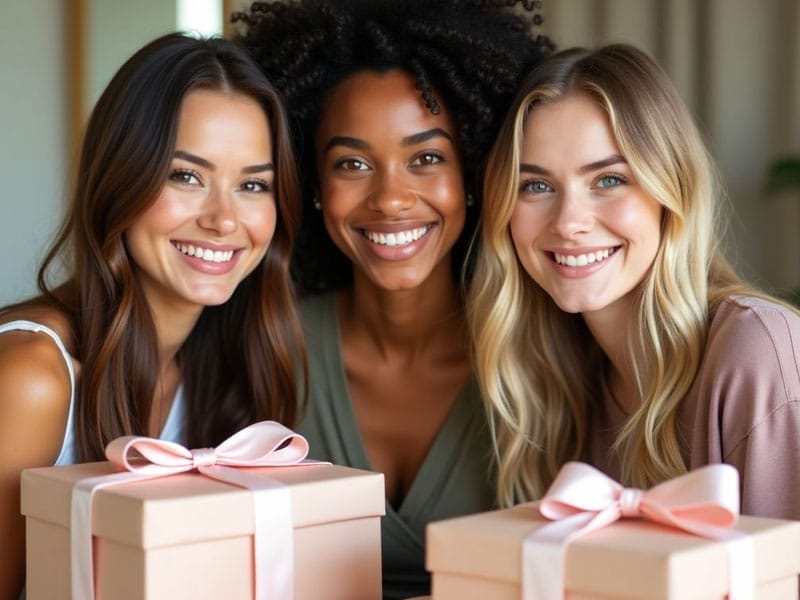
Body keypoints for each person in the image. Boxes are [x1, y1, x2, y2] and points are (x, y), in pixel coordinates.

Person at [233, 1, 553, 597]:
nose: (390, 199)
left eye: (426, 158)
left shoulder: (545, 355)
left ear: (477, 174)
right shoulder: (267, 345)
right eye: (352, 163)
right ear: (314, 183)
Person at [0, 32, 304, 598]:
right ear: (122, 178)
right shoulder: (32, 378)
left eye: (253, 185)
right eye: (185, 175)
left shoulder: (226, 360)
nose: (223, 219)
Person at [470, 43, 800, 519]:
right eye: (536, 186)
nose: (568, 222)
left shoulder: (757, 352)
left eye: (608, 180)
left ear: (673, 188)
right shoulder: (560, 382)